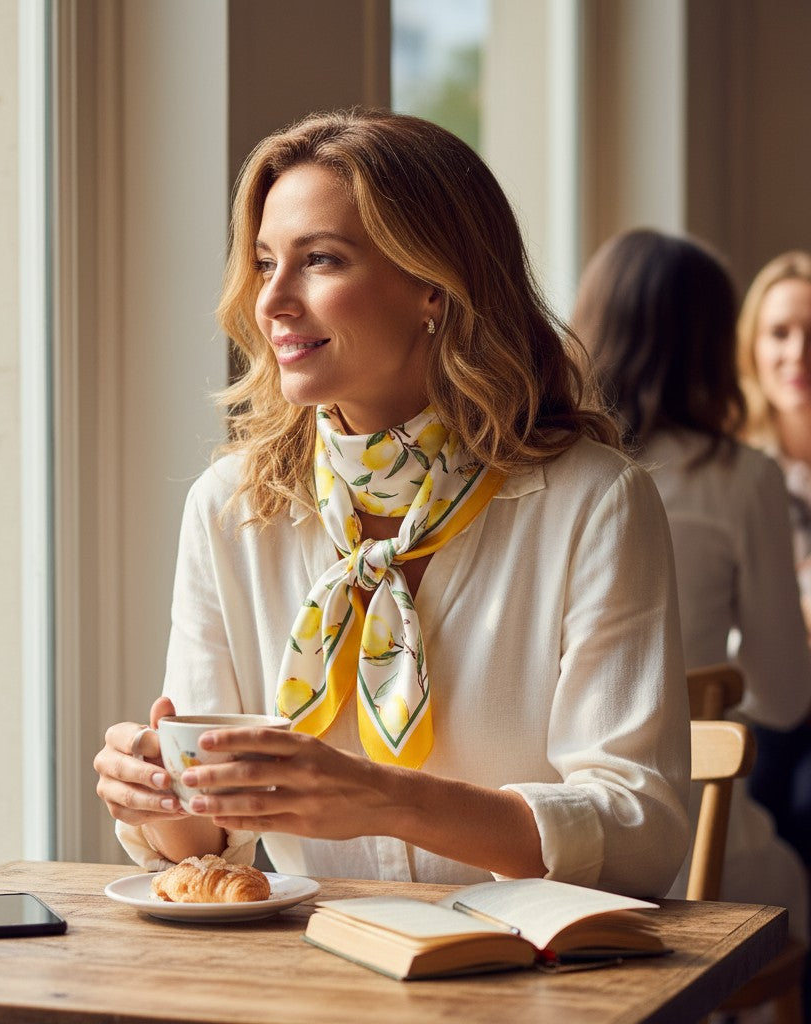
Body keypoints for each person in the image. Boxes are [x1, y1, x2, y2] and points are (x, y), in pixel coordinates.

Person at [93, 109, 690, 897]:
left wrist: (384, 799)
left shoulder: (596, 504)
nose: (271, 300)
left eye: (321, 261)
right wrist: (162, 795)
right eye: (266, 262)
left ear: (434, 289)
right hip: (317, 978)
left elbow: (639, 835)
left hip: (534, 983)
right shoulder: (231, 509)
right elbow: (213, 838)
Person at [572, 228, 811, 939]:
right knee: (789, 873)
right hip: (691, 850)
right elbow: (785, 694)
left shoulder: (539, 470)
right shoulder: (742, 478)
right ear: (716, 346)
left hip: (547, 850)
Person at [736, 249, 811, 869]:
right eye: (780, 333)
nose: (797, 355)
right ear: (752, 347)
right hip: (758, 699)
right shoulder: (735, 469)